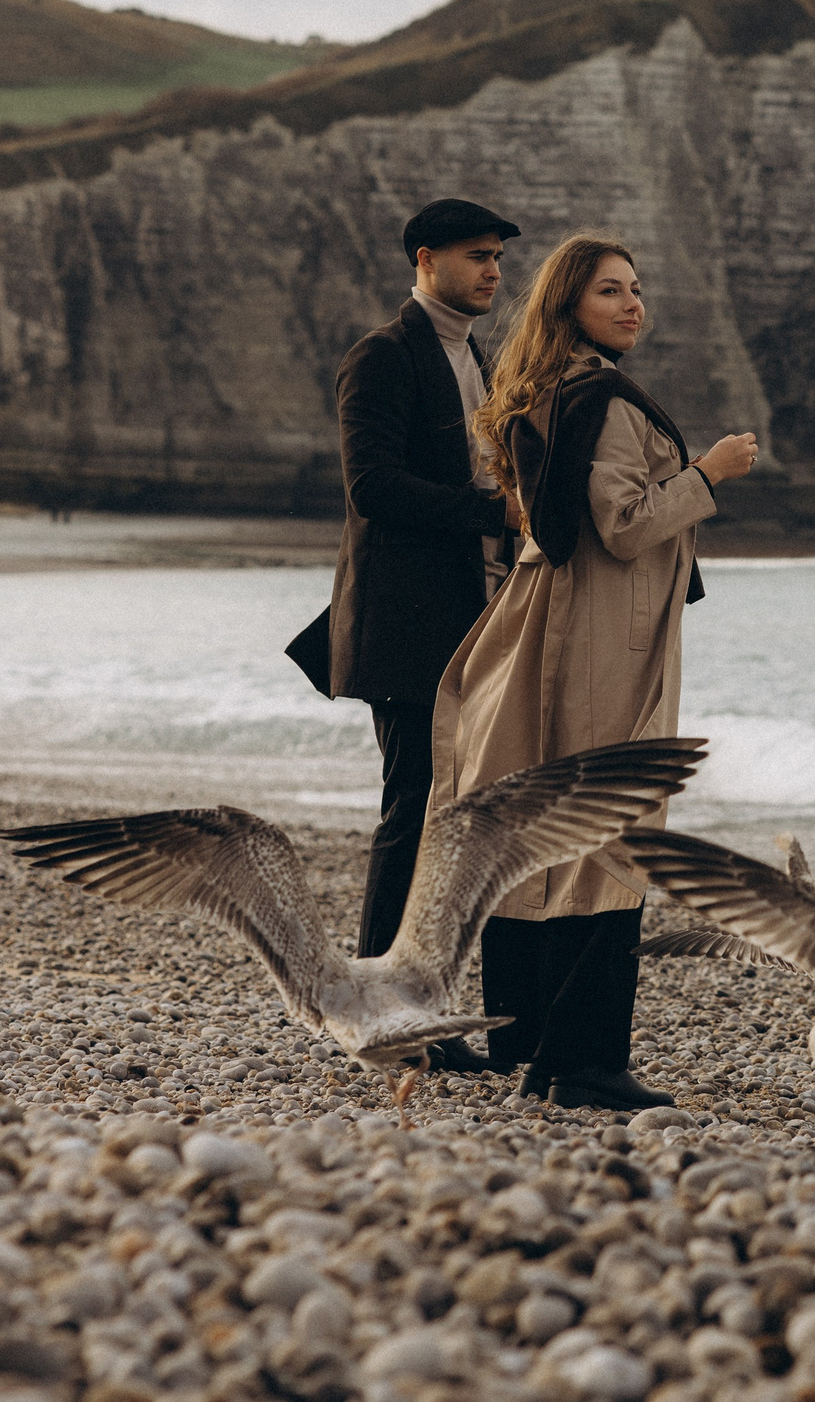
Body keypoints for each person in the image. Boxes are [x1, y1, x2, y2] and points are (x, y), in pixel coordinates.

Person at [431, 232, 758, 1110]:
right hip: (601, 633)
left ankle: (524, 1040)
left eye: (637, 288)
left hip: (549, 620)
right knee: (611, 825)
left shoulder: (543, 390)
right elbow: (623, 522)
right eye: (611, 289)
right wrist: (709, 473)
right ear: (569, 302)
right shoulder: (601, 398)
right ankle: (583, 1062)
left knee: (538, 823)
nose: (632, 303)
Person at [317, 197, 524, 1075]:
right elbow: (371, 487)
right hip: (407, 628)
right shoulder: (384, 355)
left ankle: (423, 1013)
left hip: (477, 621)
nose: (492, 271)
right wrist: (491, 510)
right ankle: (382, 1019)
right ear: (425, 259)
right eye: (476, 255)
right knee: (412, 815)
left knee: (453, 822)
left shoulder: (476, 357)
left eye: (498, 258)